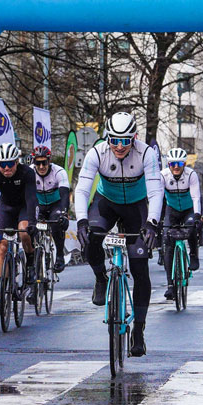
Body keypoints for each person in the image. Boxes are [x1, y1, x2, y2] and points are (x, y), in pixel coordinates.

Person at [72, 110, 161, 357]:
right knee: (91, 239)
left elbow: (155, 191)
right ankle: (101, 277)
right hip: (106, 204)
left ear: (134, 138)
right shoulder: (97, 153)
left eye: (125, 140)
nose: (119, 146)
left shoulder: (146, 153)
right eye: (114, 140)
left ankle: (139, 330)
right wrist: (81, 221)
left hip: (136, 208)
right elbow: (82, 189)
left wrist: (152, 223)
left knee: (140, 268)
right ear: (107, 138)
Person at [0, 141, 37, 315]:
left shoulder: (27, 172)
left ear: (17, 162)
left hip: (24, 207)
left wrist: (32, 222)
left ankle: (30, 265)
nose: (6, 168)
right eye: (2, 164)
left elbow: (31, 198)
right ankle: (0, 295)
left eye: (10, 164)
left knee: (24, 232)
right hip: (6, 208)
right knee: (3, 248)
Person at [159, 148, 201, 300]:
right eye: (173, 164)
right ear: (168, 164)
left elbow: (196, 197)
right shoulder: (163, 176)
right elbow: (158, 198)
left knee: (191, 229)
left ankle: (194, 254)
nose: (176, 167)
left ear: (184, 164)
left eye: (180, 164)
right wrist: (155, 219)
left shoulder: (191, 175)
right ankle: (170, 286)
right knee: (168, 242)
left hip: (188, 210)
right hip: (172, 210)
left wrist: (197, 215)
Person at [30, 145, 70, 269]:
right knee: (31, 226)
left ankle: (60, 255)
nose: (41, 166)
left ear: (49, 161)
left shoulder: (59, 172)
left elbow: (65, 195)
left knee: (57, 223)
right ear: (34, 162)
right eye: (38, 163)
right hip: (39, 205)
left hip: (55, 205)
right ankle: (36, 254)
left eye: (44, 162)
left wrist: (64, 214)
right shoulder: (30, 172)